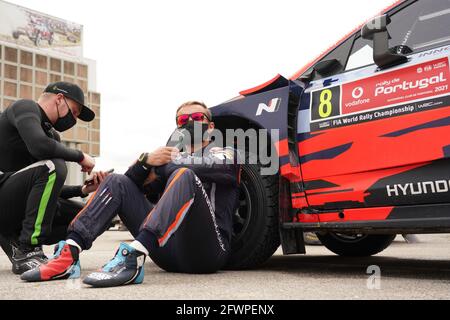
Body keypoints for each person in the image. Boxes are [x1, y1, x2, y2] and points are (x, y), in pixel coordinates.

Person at [21, 101, 241, 287]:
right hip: (167, 254)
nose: (189, 123)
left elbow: (222, 167)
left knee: (185, 175)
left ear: (210, 127)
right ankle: (70, 253)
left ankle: (133, 258)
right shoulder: (167, 158)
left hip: (208, 253)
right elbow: (128, 185)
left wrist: (163, 164)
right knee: (116, 181)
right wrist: (146, 162)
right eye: (183, 121)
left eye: (196, 117)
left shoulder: (225, 151)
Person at [0, 82, 108, 275]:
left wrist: (82, 190)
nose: (73, 119)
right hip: (3, 200)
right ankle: (28, 249)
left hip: (19, 206)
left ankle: (18, 241)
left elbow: (45, 189)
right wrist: (80, 156)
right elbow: (39, 147)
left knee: (92, 217)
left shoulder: (52, 135)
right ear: (59, 99)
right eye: (74, 112)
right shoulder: (25, 107)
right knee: (53, 165)